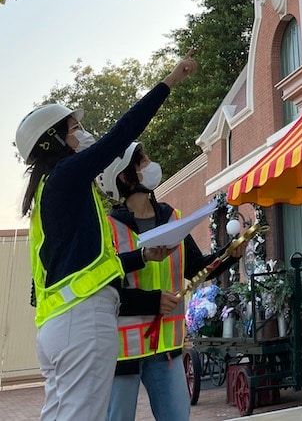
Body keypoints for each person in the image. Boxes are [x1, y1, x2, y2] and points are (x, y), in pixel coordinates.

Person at [15, 50, 198, 421]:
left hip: (59, 327)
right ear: (53, 140)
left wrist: (142, 257)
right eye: (72, 129)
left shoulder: (47, 194)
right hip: (81, 322)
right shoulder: (66, 176)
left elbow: (91, 265)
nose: (80, 134)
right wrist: (170, 80)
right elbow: (121, 135)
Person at [100, 142, 242, 421]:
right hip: (124, 352)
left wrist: (228, 255)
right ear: (126, 178)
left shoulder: (172, 218)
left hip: (167, 349)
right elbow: (105, 289)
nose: (151, 164)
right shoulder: (108, 228)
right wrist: (152, 301)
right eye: (143, 162)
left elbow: (197, 269)